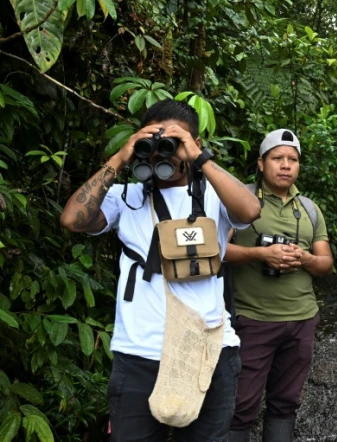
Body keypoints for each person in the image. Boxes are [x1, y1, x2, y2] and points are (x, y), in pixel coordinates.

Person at [60, 99, 261, 441]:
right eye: (153, 143)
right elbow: (71, 220)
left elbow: (250, 209)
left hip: (209, 351)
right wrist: (120, 157)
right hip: (139, 353)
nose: (160, 153)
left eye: (173, 143)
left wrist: (197, 155)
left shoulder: (214, 195)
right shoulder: (127, 197)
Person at [226, 129, 333, 442]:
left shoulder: (310, 209)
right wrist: (261, 254)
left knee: (285, 404)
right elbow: (215, 251)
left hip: (301, 319)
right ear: (261, 163)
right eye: (277, 158)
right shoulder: (239, 199)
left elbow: (326, 264)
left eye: (293, 159)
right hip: (252, 320)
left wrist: (303, 258)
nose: (286, 165)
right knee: (239, 405)